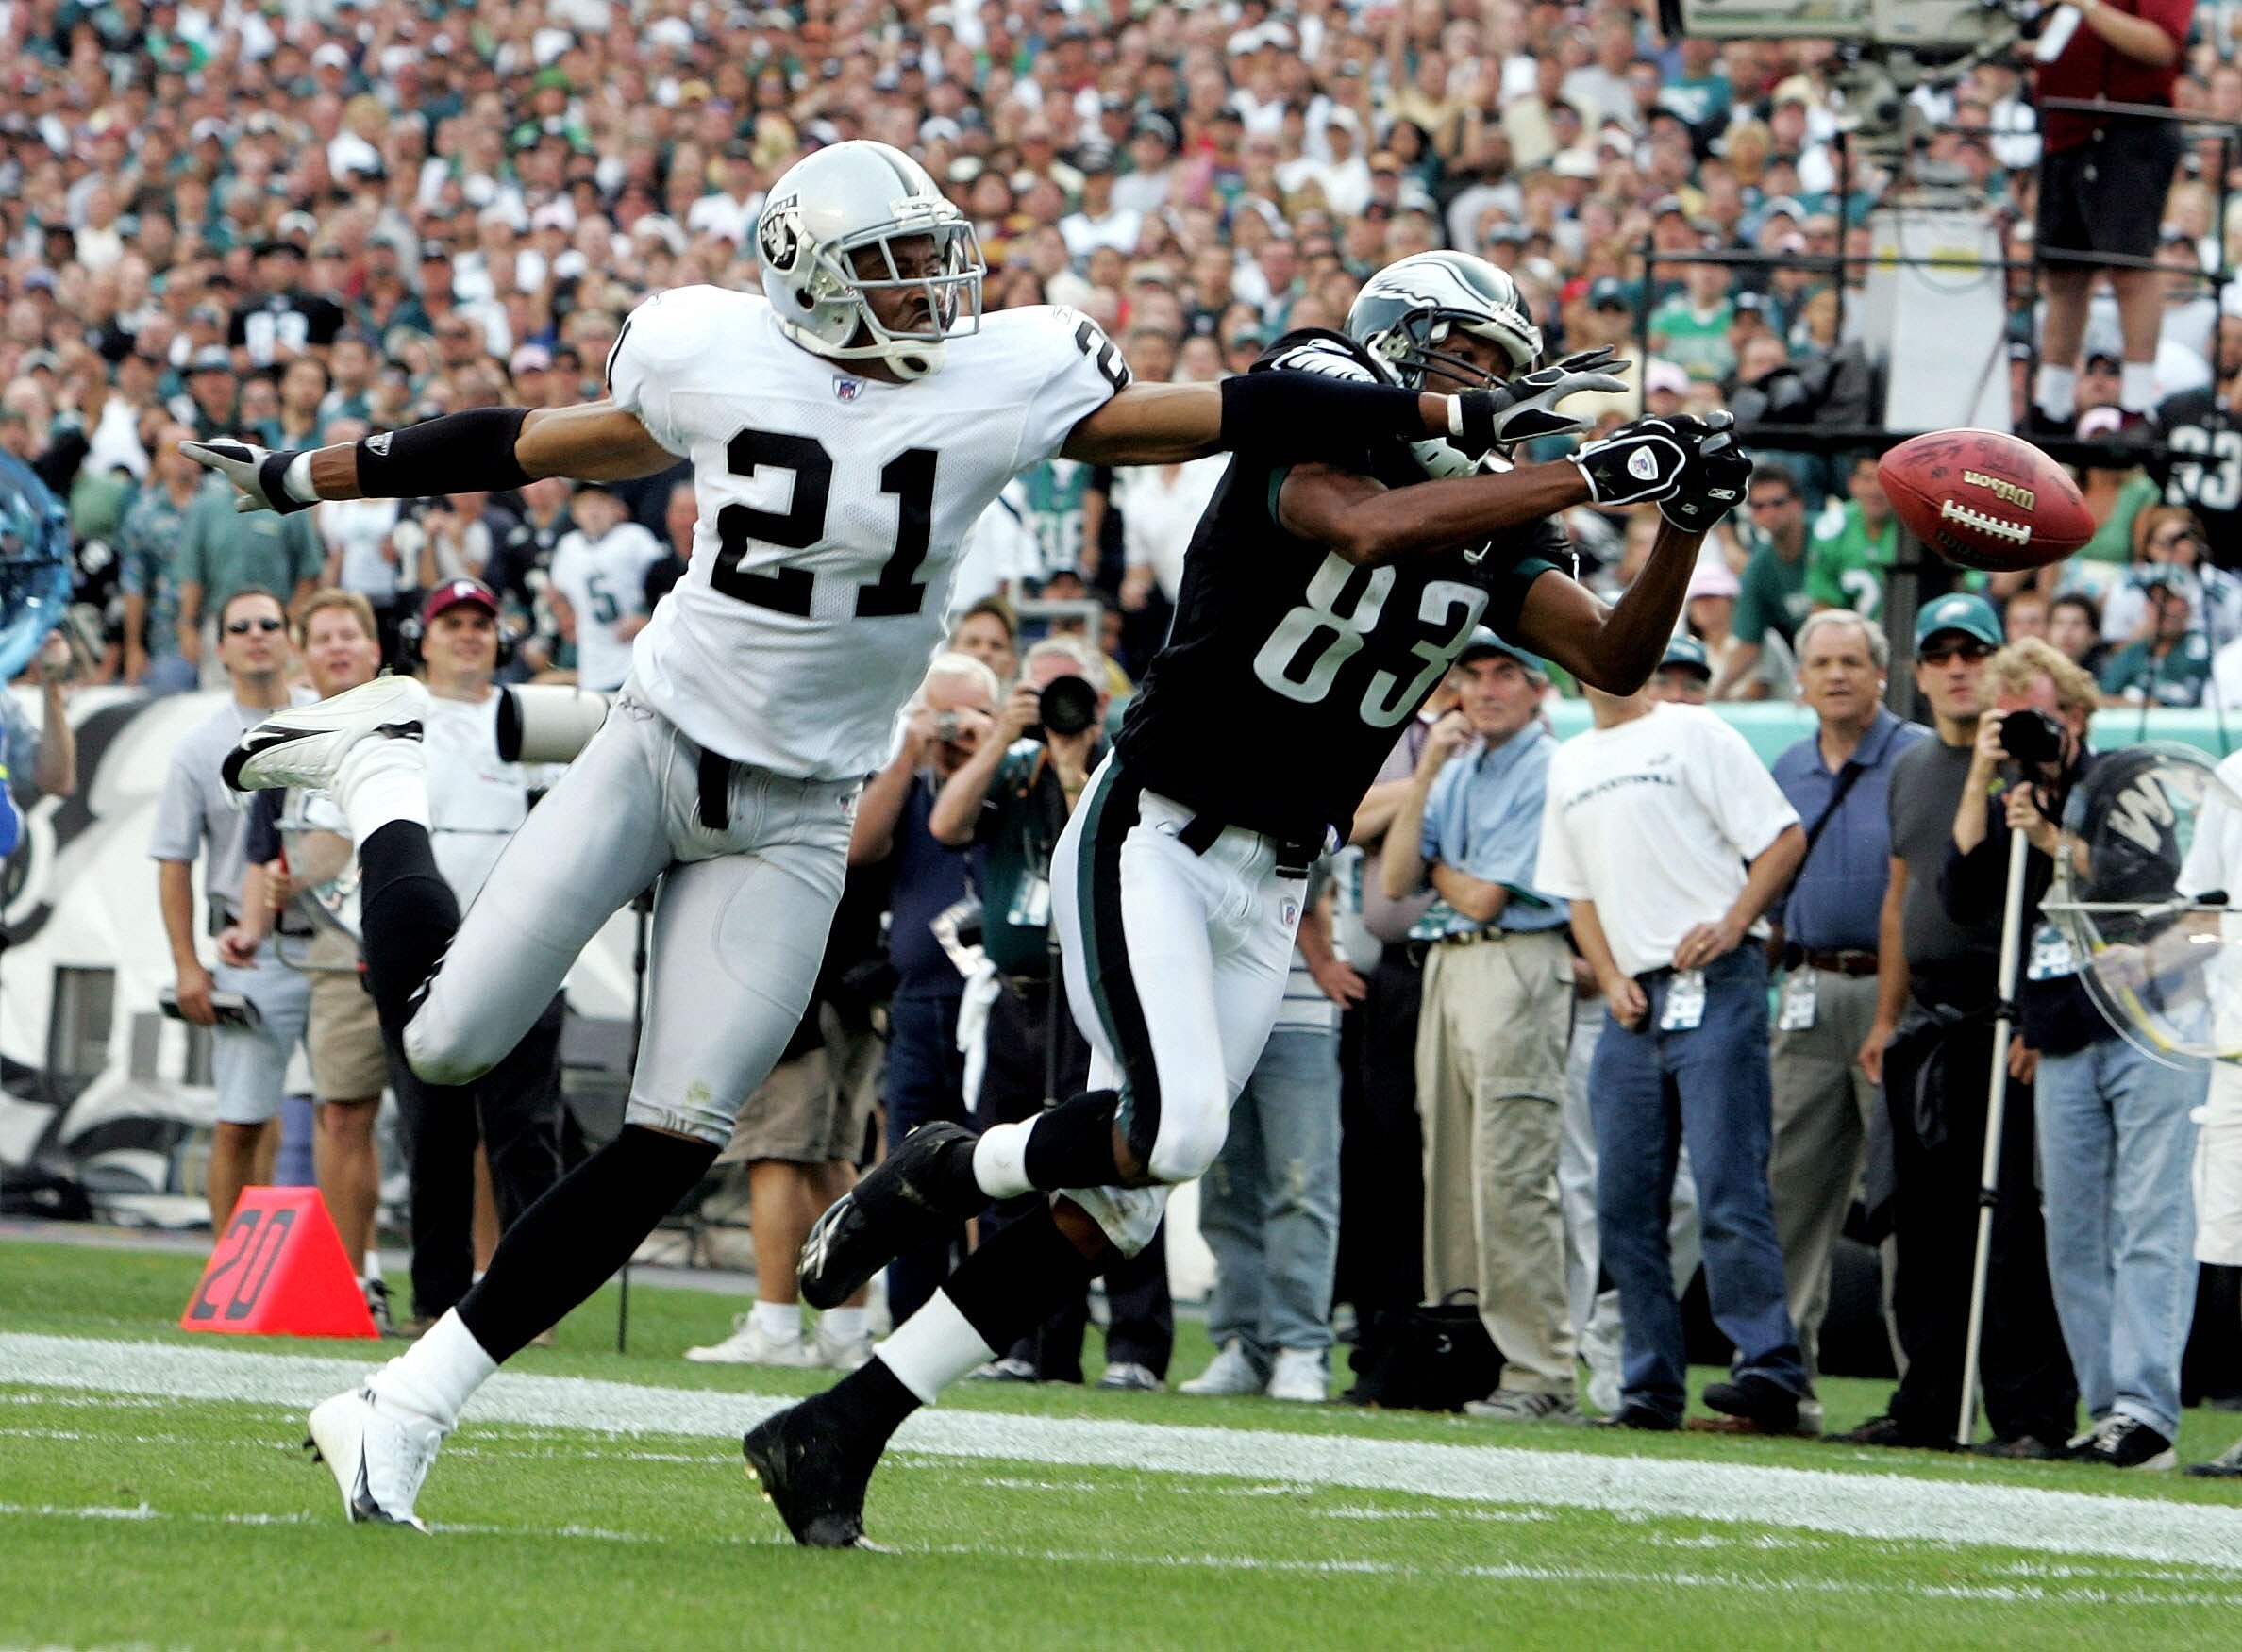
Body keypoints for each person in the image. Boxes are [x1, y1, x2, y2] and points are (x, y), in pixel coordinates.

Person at [191, 143, 1563, 1532]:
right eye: (894, 268)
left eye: (932, 258)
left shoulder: (1004, 372)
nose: (932, 292)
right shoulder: (707, 347)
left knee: (677, 1135)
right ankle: (385, 781)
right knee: (444, 1044)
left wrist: (1411, 399)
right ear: (804, 278)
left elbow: (1212, 408)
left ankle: (405, 1404)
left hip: (800, 806)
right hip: (655, 745)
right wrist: (318, 475)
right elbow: (534, 439)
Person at [766, 249, 1750, 1544]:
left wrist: (1683, 516)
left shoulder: (1497, 512)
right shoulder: (1319, 395)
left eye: (1508, 370)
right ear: (1399, 343)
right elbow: (1366, 525)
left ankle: (841, 1428)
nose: (1490, 388)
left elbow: (1618, 652)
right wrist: (1596, 468)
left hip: (1279, 875)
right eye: (1469, 358)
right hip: (1157, 827)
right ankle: (946, 1166)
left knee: (1115, 1204)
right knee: (1170, 1131)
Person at [1945, 638, 2201, 1469]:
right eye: (2008, 716)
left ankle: (2145, 1405)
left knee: (2149, 1219)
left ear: (2080, 714)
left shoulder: (2126, 778)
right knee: (2073, 1231)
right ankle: (2108, 1409)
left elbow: (2154, 882)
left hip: (2148, 1020)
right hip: (2060, 1028)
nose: (2027, 730)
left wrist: (2055, 840)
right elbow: (1964, 893)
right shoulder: (2013, 788)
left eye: (2039, 716)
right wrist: (1984, 780)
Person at [1535, 674, 1810, 1433]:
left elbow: (1783, 838)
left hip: (1715, 979)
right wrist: (1613, 973)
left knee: (1727, 1184)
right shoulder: (1571, 759)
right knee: (1623, 1203)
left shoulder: (1695, 731)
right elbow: (1576, 893)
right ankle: (1648, 1386)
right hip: (1634, 1001)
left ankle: (1768, 1369)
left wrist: (1734, 923)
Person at [1837, 593, 2079, 1456]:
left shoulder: (2038, 759)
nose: (1955, 667)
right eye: (1939, 654)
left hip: (2006, 1009)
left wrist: (2041, 1011)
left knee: (2010, 1223)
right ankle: (1929, 1403)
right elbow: (1901, 898)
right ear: (1918, 672)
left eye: (1970, 652)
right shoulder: (1909, 767)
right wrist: (1886, 1016)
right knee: (1926, 1225)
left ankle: (2030, 1414)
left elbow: (2065, 902)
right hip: (1927, 1022)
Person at [927, 636, 1173, 1390]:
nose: (1057, 710)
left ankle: (1134, 1348)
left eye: (1070, 694)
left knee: (1117, 1160)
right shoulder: (1007, 765)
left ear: (1102, 703)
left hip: (1094, 996)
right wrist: (1004, 733)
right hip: (1018, 995)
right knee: (1009, 1164)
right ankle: (1028, 1341)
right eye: (1039, 694)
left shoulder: (1122, 768)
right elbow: (947, 825)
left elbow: (1096, 852)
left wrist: (1072, 771)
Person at [1379, 630, 1576, 1421]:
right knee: (1454, 1176)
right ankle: (1466, 1358)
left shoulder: (1546, 762)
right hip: (1452, 966)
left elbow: (1485, 896)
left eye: (1506, 674)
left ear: (1536, 689)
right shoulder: (1456, 770)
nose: (1486, 689)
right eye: (1473, 674)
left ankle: (1541, 1372)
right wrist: (1425, 769)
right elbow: (1397, 880)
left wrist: (1438, 870)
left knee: (1511, 1173)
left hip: (1516, 959)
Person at [393, 579, 569, 1333]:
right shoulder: (399, 719)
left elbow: (567, 824)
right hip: (425, 944)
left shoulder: (528, 717)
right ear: (424, 638)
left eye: (481, 623)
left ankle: (532, 1297)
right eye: (453, 623)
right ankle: (436, 1296)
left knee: (524, 1126)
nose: (468, 635)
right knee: (434, 1130)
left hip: (520, 940)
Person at [224, 590, 394, 1329]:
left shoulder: (414, 720)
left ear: (375, 649)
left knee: (461, 1121)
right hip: (333, 951)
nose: (335, 648)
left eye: (348, 635)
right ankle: (356, 1281)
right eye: (321, 637)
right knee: (343, 1114)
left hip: (431, 938)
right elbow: (268, 855)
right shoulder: (281, 740)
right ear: (304, 653)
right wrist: (250, 929)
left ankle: (479, 1283)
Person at [1765, 609, 1925, 1393]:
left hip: (1897, 994)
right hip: (1806, 987)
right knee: (1788, 1190)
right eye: (1821, 662)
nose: (1836, 674)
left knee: (1902, 1201)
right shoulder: (1788, 767)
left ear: (1880, 674)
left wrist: (1898, 1013)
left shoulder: (1917, 757)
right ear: (1799, 679)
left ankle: (1920, 1384)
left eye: (1852, 661)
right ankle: (1779, 1377)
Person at [147, 586, 312, 1238]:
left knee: (343, 1113)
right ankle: (230, 1268)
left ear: (289, 635)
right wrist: (187, 963)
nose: (257, 635)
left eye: (269, 622)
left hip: (330, 941)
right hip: (249, 950)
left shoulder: (329, 723)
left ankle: (360, 1274)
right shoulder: (198, 747)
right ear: (220, 648)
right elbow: (172, 861)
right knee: (242, 1117)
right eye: (240, 627)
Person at [850, 652, 998, 1327]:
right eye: (944, 711)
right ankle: (909, 1319)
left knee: (996, 1162)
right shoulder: (907, 782)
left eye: (973, 713)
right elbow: (859, 844)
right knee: (913, 1167)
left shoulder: (1011, 775)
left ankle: (992, 1322)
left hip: (996, 1006)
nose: (955, 728)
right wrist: (909, 748)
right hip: (920, 1001)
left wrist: (991, 744)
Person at [1180, 867, 1355, 1403]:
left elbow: (1306, 863)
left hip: (1300, 1005)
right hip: (1216, 1001)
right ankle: (1242, 1344)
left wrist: (1321, 953)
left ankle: (1300, 1348)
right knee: (1225, 1184)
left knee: (1301, 1183)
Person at [2028, 0, 2195, 437]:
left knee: (2130, 268)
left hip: (2125, 126)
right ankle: (2053, 402)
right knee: (2064, 273)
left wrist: (2087, 5)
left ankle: (2137, 404)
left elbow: (2161, 47)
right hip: (2066, 126)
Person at [544, 480, 665, 692]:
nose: (593, 511)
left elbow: (663, 580)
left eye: (599, 503)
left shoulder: (634, 537)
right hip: (593, 659)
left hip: (637, 655)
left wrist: (646, 616)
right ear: (574, 513)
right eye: (585, 504)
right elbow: (556, 592)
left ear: (616, 508)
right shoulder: (568, 546)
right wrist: (565, 617)